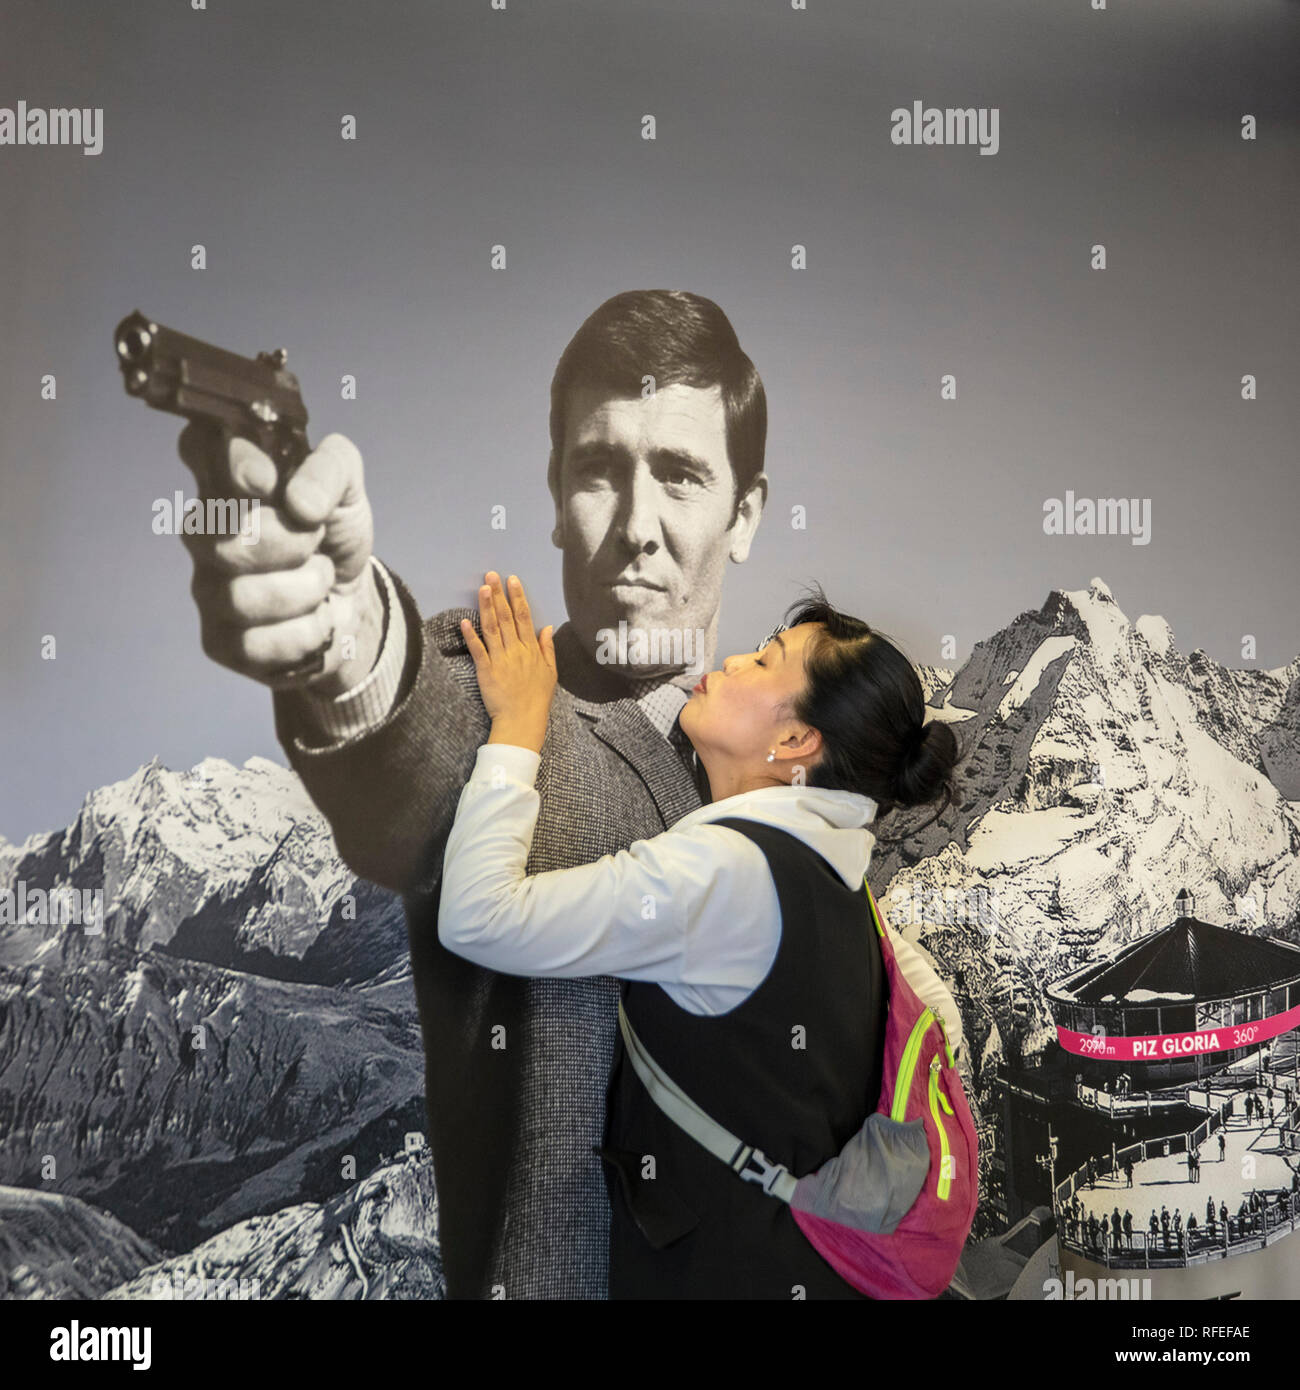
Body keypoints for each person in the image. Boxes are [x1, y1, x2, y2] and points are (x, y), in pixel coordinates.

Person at [173, 288, 962, 1297]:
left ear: (745, 511)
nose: (636, 524)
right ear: (553, 492)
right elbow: (411, 722)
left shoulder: (795, 796)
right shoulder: (503, 691)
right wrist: (336, 627)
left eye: (679, 475)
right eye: (599, 470)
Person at [436, 572, 964, 1296]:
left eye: (765, 659)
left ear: (794, 739)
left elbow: (480, 915)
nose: (734, 661)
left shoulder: (725, 872)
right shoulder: (843, 886)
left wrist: (519, 724)